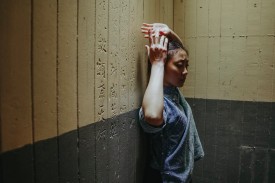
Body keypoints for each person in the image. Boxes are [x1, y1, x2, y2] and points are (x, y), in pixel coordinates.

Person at [139, 23, 204, 183]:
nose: (185, 71)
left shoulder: (174, 93)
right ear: (163, 65)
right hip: (165, 178)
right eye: (179, 66)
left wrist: (170, 33)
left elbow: (178, 53)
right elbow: (152, 116)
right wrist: (157, 62)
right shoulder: (160, 101)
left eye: (186, 65)